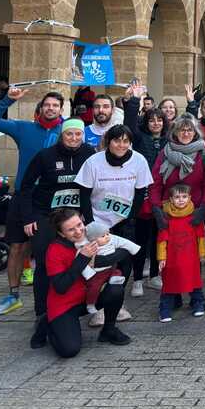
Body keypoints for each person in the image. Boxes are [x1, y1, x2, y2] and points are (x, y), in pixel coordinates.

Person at [0, 86, 66, 316]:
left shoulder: (66, 131)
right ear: (40, 108)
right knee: (17, 246)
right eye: (47, 105)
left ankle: (54, 296)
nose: (50, 108)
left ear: (61, 110)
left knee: (50, 248)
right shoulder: (24, 128)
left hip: (51, 199)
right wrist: (7, 100)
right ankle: (13, 295)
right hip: (23, 196)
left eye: (55, 105)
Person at [17, 117, 96, 346]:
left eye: (78, 134)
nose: (73, 138)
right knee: (44, 264)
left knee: (78, 260)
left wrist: (88, 217)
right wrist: (28, 217)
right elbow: (25, 187)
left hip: (74, 217)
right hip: (46, 215)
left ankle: (74, 306)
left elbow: (90, 187)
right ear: (62, 135)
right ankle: (42, 313)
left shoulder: (89, 153)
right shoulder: (45, 156)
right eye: (69, 134)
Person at [75, 123, 152, 325]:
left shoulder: (139, 161)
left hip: (123, 220)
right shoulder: (94, 162)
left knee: (124, 260)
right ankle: (98, 306)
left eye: (126, 141)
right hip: (98, 220)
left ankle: (117, 302)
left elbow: (140, 193)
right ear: (109, 142)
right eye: (117, 140)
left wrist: (131, 218)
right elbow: (84, 194)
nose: (121, 145)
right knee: (100, 263)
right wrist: (91, 223)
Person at [42, 208, 130, 357]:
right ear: (61, 233)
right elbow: (60, 287)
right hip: (65, 304)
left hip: (90, 297)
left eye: (79, 225)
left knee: (115, 289)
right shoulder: (54, 250)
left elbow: (124, 250)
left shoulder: (93, 234)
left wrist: (101, 260)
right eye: (71, 230)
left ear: (83, 220)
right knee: (69, 350)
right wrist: (82, 258)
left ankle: (108, 330)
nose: (78, 231)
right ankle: (48, 324)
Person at [122, 83, 169, 297]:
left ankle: (155, 275)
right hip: (143, 195)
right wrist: (134, 101)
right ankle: (138, 279)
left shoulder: (169, 141)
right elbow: (129, 125)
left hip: (163, 195)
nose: (156, 123)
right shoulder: (140, 138)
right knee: (140, 237)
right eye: (152, 120)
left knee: (159, 236)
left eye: (159, 120)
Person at [156, 184, 205, 321]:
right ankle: (164, 309)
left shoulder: (194, 217)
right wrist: (161, 258)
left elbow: (201, 237)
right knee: (170, 284)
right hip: (172, 259)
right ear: (171, 199)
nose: (181, 200)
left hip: (191, 258)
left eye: (184, 197)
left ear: (189, 198)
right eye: (177, 197)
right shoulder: (166, 218)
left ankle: (198, 304)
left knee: (194, 282)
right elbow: (162, 240)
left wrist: (203, 254)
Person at [77, 221, 140, 315]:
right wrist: (88, 274)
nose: (107, 237)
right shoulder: (88, 247)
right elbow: (82, 262)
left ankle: (113, 280)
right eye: (103, 236)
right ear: (93, 239)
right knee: (94, 288)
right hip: (97, 273)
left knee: (118, 272)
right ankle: (90, 304)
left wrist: (134, 248)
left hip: (111, 268)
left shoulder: (111, 239)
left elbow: (123, 242)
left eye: (107, 234)